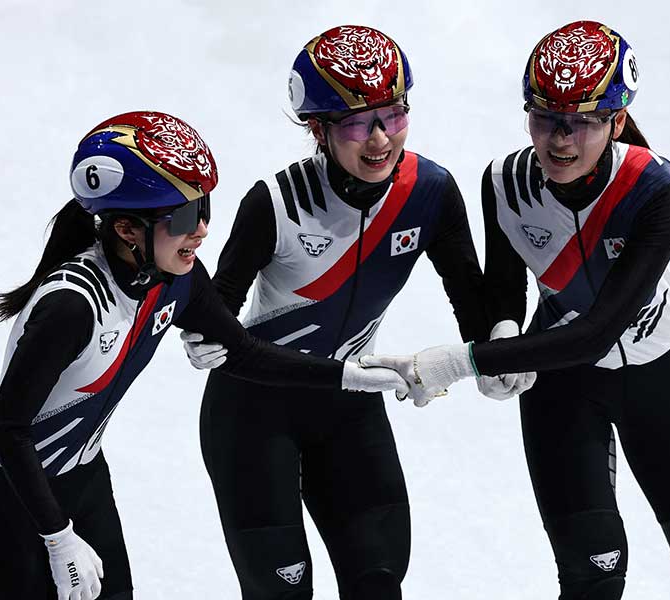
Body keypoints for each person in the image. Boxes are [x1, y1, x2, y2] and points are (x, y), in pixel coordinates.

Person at [0, 111, 405, 600]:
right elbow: (8, 428)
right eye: (182, 217)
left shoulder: (176, 280)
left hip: (83, 485)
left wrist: (352, 375)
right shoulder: (71, 307)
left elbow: (243, 353)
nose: (201, 230)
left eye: (204, 207)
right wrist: (57, 537)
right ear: (126, 228)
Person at [362, 21, 670, 600]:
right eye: (545, 117)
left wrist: (463, 361)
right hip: (563, 388)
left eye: (583, 121)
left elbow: (598, 332)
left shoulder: (658, 192)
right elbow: (504, 288)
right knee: (589, 575)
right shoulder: (503, 182)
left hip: (661, 375)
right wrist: (500, 330)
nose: (561, 140)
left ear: (617, 122)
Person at [182, 25, 491, 600]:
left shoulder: (430, 191)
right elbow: (214, 309)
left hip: (349, 408)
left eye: (392, 115)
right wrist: (205, 336)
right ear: (317, 129)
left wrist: (494, 346)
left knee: (377, 583)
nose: (378, 139)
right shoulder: (276, 202)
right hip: (254, 412)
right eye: (355, 122)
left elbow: (473, 302)